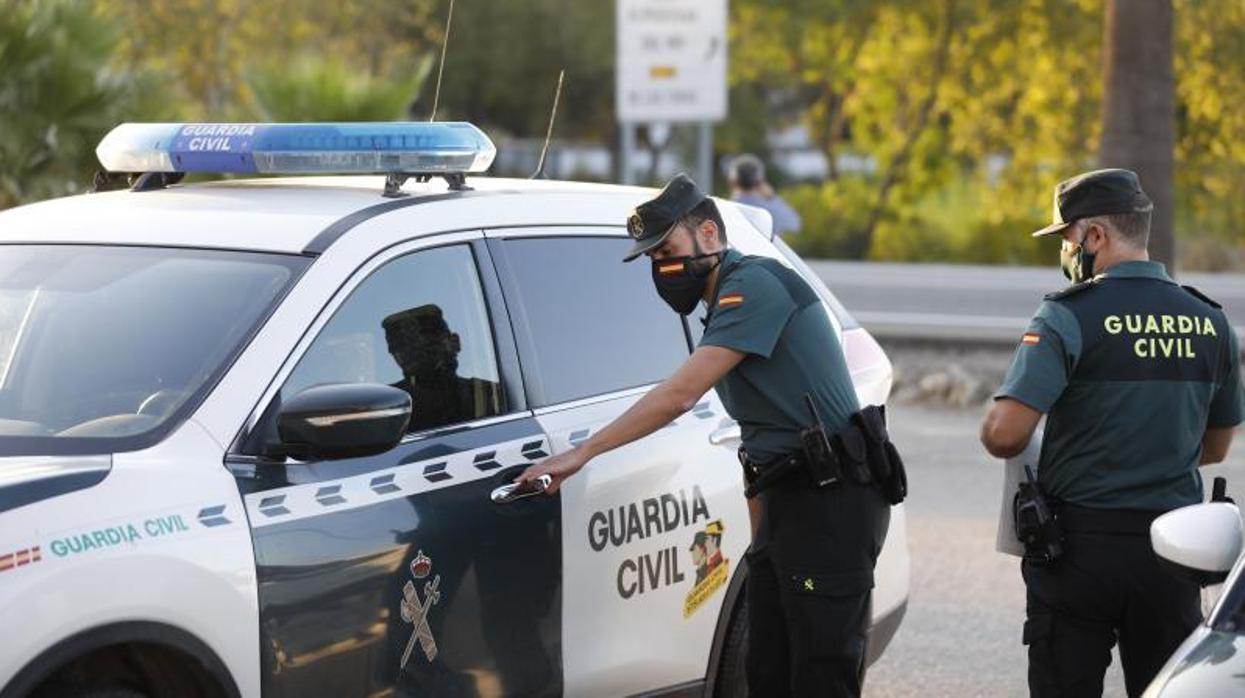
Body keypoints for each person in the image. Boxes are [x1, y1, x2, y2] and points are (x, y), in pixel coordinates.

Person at [519, 173, 889, 697]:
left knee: (819, 677)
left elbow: (679, 396)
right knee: (767, 673)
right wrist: (762, 538)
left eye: (668, 251)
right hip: (789, 505)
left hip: (830, 508)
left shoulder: (754, 285)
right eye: (653, 259)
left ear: (709, 234)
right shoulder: (721, 303)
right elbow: (761, 435)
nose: (663, 268)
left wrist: (582, 453)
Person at [980, 168, 1244, 697]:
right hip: (1175, 553)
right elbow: (1215, 447)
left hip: (1078, 551)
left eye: (1067, 238)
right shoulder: (1210, 321)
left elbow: (1005, 435)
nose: (1065, 251)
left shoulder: (1066, 317)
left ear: (1095, 235)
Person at [382, 304, 502, 432]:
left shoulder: (488, 395)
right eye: (397, 347)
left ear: (454, 342)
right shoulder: (390, 405)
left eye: (425, 343)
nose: (406, 354)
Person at [728, 154, 802, 237]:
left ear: (732, 182)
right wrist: (772, 197)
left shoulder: (726, 212)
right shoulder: (770, 210)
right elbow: (795, 225)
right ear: (760, 181)